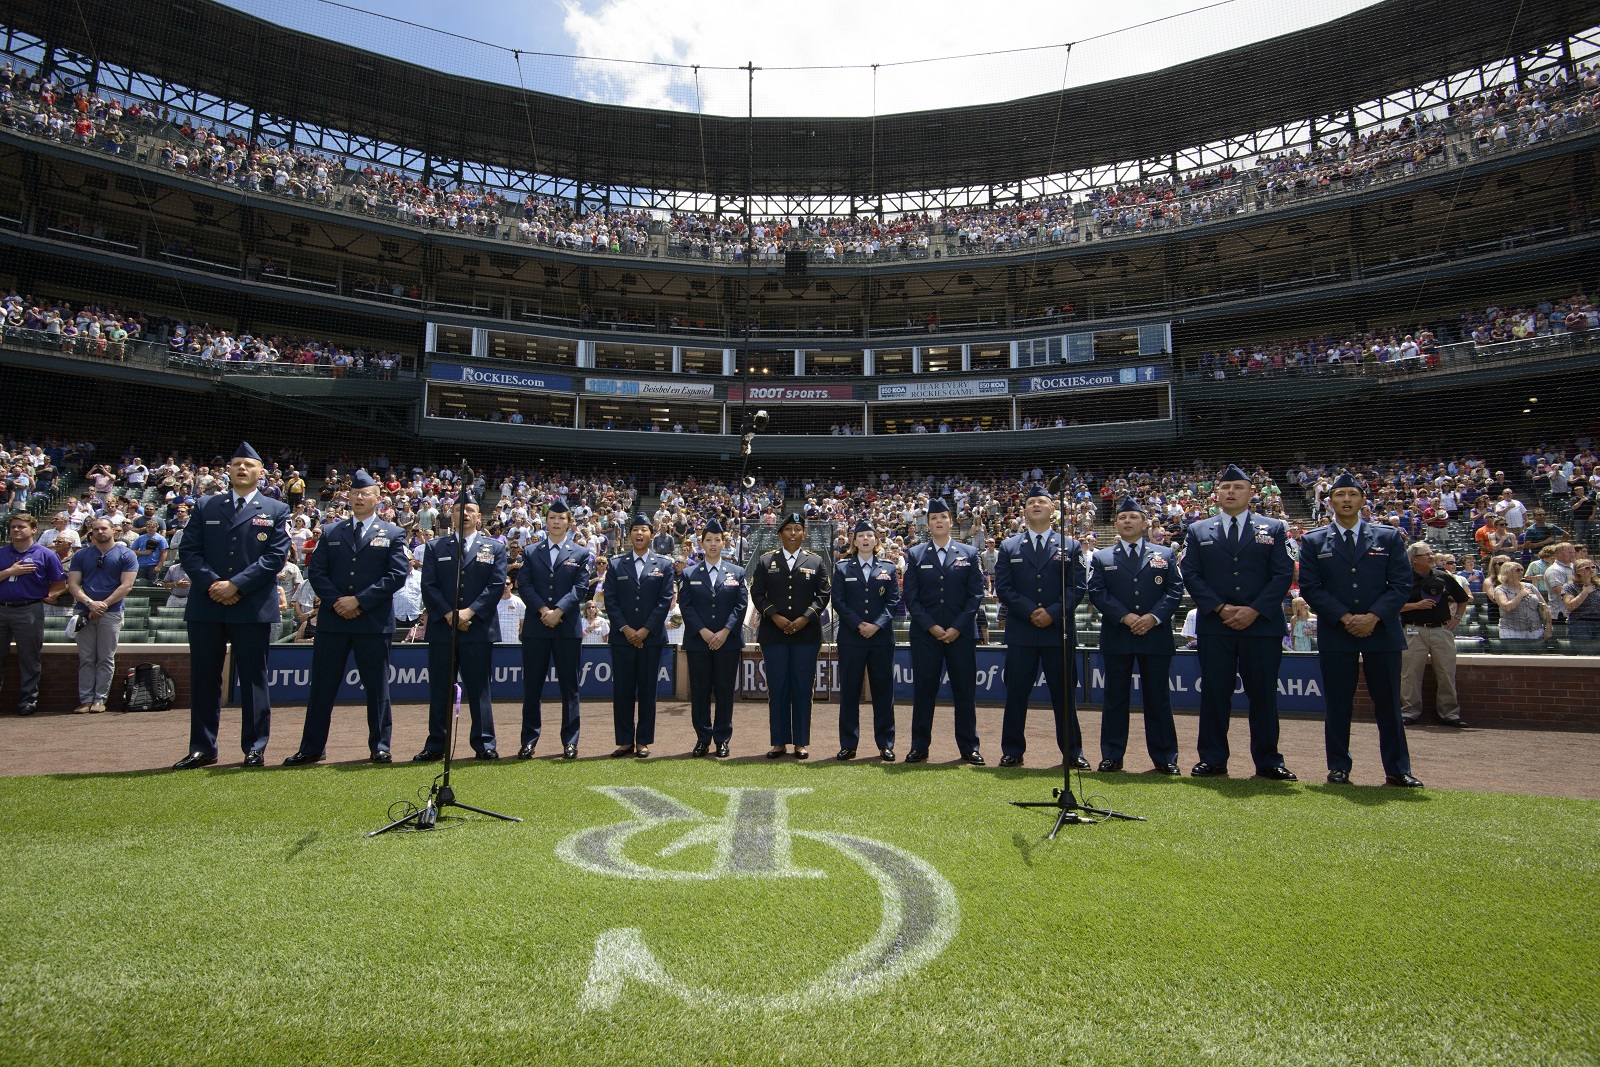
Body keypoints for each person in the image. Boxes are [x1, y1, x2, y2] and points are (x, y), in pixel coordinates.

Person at [1296, 474, 1421, 787]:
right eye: (1340, 495)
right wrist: (1345, 617)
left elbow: (1402, 584)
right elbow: (1311, 587)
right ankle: (1338, 766)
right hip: (1337, 631)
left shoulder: (1388, 537)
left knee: (1389, 704)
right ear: (1330, 501)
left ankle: (1397, 769)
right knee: (1338, 703)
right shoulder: (1313, 540)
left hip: (1382, 630)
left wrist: (1373, 616)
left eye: (1353, 494)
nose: (1347, 500)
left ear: (1363, 500)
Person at [173, 443, 291, 769]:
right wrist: (215, 584)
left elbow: (274, 558)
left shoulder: (276, 510)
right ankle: (202, 747)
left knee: (254, 679)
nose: (242, 469)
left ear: (260, 473)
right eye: (236, 463)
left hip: (251, 605)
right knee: (204, 677)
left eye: (248, 465)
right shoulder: (206, 505)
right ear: (228, 469)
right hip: (207, 604)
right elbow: (190, 552)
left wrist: (236, 585)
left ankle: (254, 748)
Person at [1179, 464, 1297, 780]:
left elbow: (1283, 573)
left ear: (1251, 492)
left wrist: (1254, 610)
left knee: (1263, 696)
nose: (1231, 491)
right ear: (1216, 494)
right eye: (1225, 487)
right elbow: (1190, 573)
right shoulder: (1198, 530)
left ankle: (1269, 760)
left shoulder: (1274, 528)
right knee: (1215, 694)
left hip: (1261, 626)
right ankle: (1213, 758)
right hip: (1216, 626)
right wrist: (1219, 608)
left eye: (1238, 486)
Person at [284, 470, 410, 765]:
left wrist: (359, 601)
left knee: (378, 688)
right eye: (354, 493)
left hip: (372, 622)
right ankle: (312, 747)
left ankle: (380, 746)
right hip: (333, 620)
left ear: (378, 499)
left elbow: (396, 575)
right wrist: (337, 601)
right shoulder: (330, 532)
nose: (358, 497)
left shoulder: (393, 533)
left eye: (365, 493)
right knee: (322, 687)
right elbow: (316, 572)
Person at [1086, 496, 1184, 774]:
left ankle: (1166, 757)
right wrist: (1125, 616)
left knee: (1158, 699)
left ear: (1144, 522)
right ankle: (1112, 755)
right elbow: (1097, 592)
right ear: (1116, 523)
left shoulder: (1164, 554)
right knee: (1115, 699)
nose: (1127, 521)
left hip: (1155, 635)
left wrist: (1153, 617)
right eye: (1122, 517)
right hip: (1118, 634)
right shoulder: (1102, 556)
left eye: (1133, 517)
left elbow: (1175, 590)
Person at [995, 484, 1087, 769]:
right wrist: (1031, 611)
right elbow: (1004, 588)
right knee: (1016, 694)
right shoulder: (1009, 546)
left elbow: (1077, 587)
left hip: (1056, 632)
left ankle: (1073, 753)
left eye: (1042, 501)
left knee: (1064, 696)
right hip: (1021, 632)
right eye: (1031, 501)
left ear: (1053, 510)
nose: (1036, 505)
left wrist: (1052, 613)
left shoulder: (1070, 545)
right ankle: (1012, 750)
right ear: (1024, 511)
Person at [416, 498, 506, 761]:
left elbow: (496, 585)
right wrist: (448, 614)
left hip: (478, 629)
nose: (464, 514)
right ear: (450, 516)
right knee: (440, 689)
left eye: (470, 510)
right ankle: (436, 745)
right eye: (459, 510)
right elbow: (429, 586)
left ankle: (484, 743)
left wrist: (469, 612)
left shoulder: (495, 548)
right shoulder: (435, 547)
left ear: (479, 516)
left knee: (479, 690)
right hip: (443, 629)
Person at [901, 498, 985, 765]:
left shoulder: (969, 553)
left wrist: (957, 627)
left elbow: (975, 595)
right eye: (934, 518)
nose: (938, 521)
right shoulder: (915, 554)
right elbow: (911, 597)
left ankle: (969, 747)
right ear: (928, 523)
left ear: (951, 521)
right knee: (924, 692)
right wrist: (932, 626)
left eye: (943, 517)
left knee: (965, 692)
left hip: (962, 635)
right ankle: (919, 746)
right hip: (926, 636)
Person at [516, 497, 594, 760]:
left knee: (570, 688)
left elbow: (580, 589)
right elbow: (524, 585)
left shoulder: (581, 553)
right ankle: (528, 741)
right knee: (532, 687)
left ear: (569, 523)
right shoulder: (530, 551)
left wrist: (558, 611)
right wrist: (543, 611)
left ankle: (570, 741)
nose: (557, 522)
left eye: (561, 518)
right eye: (552, 518)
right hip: (537, 628)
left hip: (566, 627)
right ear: (546, 521)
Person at [749, 513, 830, 759]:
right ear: (779, 534)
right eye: (788, 529)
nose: (793, 534)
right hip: (774, 635)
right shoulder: (765, 561)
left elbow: (823, 595)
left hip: (806, 636)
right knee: (778, 688)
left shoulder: (816, 562)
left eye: (798, 529)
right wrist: (775, 616)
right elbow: (757, 594)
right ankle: (779, 742)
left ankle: (801, 743)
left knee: (803, 689)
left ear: (804, 534)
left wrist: (805, 617)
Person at [603, 514, 675, 758]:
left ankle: (643, 740)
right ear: (630, 534)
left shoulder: (664, 565)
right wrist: (626, 629)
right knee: (622, 690)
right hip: (622, 638)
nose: (639, 534)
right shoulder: (615, 564)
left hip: (651, 639)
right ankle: (624, 741)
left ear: (651, 534)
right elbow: (610, 601)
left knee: (647, 690)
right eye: (635, 530)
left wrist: (644, 630)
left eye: (644, 530)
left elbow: (664, 601)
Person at [830, 518, 900, 761]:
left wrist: (876, 625)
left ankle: (886, 744)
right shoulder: (842, 568)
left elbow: (893, 603)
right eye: (861, 536)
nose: (865, 539)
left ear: (876, 540)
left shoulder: (889, 568)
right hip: (852, 639)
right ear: (854, 541)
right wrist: (859, 624)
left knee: (883, 692)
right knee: (849, 692)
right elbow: (838, 601)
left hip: (881, 640)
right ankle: (848, 744)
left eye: (870, 535)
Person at [678, 519, 746, 758]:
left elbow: (741, 605)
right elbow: (685, 606)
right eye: (709, 540)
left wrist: (725, 631)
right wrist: (704, 632)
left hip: (728, 642)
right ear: (701, 543)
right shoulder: (688, 574)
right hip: (699, 642)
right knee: (700, 691)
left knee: (725, 691)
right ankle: (702, 738)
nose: (713, 544)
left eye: (717, 540)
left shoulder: (737, 572)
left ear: (724, 543)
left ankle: (722, 739)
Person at [66, 517, 138, 713]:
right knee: (87, 658)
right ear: (91, 533)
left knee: (106, 657)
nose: (99, 532)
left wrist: (103, 605)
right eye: (95, 529)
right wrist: (90, 603)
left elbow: (127, 585)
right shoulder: (81, 555)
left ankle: (99, 699)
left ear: (113, 531)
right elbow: (73, 584)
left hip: (111, 612)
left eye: (103, 528)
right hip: (84, 611)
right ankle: (86, 699)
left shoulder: (126, 554)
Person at [1, 511, 68, 715]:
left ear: (33, 530)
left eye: (21, 526)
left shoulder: (46, 554)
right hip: (1, 608)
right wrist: (10, 572)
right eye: (13, 526)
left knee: (29, 657)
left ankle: (28, 700)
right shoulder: (2, 552)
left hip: (29, 609)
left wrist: (51, 595)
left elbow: (59, 583)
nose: (16, 530)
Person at [1491, 560, 1551, 642]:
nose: (1521, 572)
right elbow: (1506, 607)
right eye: (1517, 570)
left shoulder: (1530, 586)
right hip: (1512, 632)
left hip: (1535, 631)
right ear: (1507, 572)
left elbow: (1545, 607)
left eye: (1522, 570)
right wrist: (1521, 594)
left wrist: (1548, 627)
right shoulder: (1500, 589)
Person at [1562, 559, 1600, 640]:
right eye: (1587, 568)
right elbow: (1570, 606)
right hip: (1581, 623)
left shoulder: (1598, 585)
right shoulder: (1570, 586)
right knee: (1583, 651)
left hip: (1598, 622)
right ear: (1578, 571)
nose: (1591, 570)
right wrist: (1585, 592)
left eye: (1593, 567)